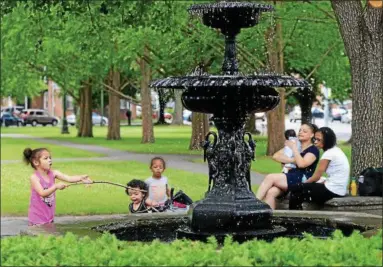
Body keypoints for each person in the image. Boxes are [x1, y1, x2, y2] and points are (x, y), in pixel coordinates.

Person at [256, 123, 320, 209]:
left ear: (312, 135)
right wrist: (292, 160)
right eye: (300, 130)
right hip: (289, 177)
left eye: (304, 131)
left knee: (270, 177)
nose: (300, 132)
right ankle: (270, 219)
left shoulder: (313, 150)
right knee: (271, 192)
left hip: (301, 180)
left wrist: (293, 149)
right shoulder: (296, 144)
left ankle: (254, 204)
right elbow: (276, 156)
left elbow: (301, 164)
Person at [24, 147, 93, 226]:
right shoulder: (34, 177)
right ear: (36, 162)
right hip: (37, 217)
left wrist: (81, 178)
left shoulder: (53, 173)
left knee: (49, 235)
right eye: (46, 158)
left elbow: (69, 178)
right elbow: (42, 193)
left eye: (50, 158)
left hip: (49, 215)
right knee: (39, 236)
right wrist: (56, 186)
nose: (49, 160)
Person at [289, 127, 350, 210]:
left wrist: (304, 183)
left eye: (319, 140)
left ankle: (294, 218)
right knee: (301, 189)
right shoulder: (336, 150)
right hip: (339, 190)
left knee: (295, 189)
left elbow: (316, 177)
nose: (315, 142)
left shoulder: (328, 154)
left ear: (327, 140)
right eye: (315, 139)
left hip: (333, 191)